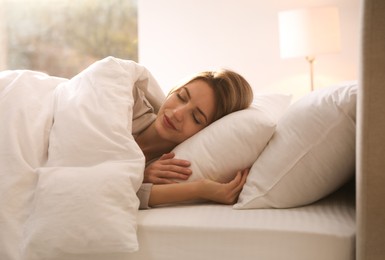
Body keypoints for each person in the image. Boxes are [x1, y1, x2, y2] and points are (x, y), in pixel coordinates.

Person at [133, 69, 254, 208]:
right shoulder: (131, 106)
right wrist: (138, 175)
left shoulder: (167, 166)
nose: (177, 113)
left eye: (196, 118)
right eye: (181, 96)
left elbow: (122, 193)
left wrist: (202, 190)